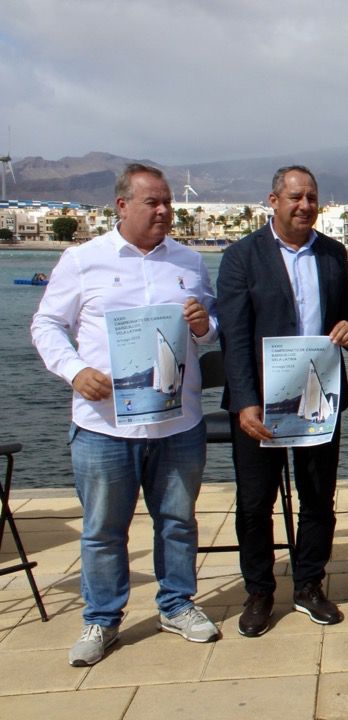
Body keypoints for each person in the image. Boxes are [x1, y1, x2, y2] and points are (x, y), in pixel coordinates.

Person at [31, 164, 221, 666]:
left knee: (178, 521)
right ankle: (102, 618)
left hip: (178, 425)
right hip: (103, 426)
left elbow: (210, 332)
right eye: (152, 203)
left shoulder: (189, 261)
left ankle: (177, 604)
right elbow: (47, 324)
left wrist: (205, 325)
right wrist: (74, 371)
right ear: (122, 206)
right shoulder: (82, 260)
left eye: (167, 203)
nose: (163, 211)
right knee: (102, 530)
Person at [217, 166, 348, 636]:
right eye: (295, 197)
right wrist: (244, 402)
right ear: (273, 200)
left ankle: (309, 585)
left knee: (318, 498)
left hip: (320, 396)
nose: (305, 206)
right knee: (255, 504)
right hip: (261, 405)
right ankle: (259, 592)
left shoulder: (334, 254)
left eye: (312, 198)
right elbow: (234, 338)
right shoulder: (241, 257)